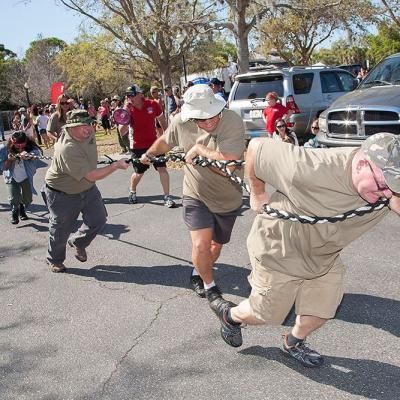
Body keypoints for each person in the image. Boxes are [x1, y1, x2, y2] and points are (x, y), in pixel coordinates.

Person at [214, 132, 400, 368]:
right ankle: (231, 317)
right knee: (264, 314)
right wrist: (257, 191)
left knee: (322, 309)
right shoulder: (308, 168)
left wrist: (392, 194)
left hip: (322, 257)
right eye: (384, 185)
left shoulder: (389, 190)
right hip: (278, 251)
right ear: (363, 163)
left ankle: (292, 342)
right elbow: (258, 147)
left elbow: (391, 193)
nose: (386, 194)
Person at [140, 84, 246, 311]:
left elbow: (228, 164)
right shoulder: (181, 121)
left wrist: (200, 150)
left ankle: (198, 270)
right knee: (200, 245)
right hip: (195, 193)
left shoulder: (232, 121)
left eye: (212, 116)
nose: (208, 123)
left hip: (227, 196)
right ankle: (210, 287)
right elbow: (166, 141)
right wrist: (149, 154)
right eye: (201, 118)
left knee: (215, 248)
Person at [44, 109, 129, 273]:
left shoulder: (87, 134)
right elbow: (91, 176)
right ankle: (54, 259)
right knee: (61, 228)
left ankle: (78, 242)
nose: (88, 129)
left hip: (87, 188)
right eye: (82, 125)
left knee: (98, 219)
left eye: (89, 124)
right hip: (62, 192)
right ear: (70, 127)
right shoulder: (67, 148)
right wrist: (115, 165)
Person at [119, 84, 176, 208]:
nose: (130, 98)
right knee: (139, 173)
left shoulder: (152, 104)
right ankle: (132, 191)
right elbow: (121, 131)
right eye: (128, 96)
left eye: (132, 95)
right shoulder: (127, 110)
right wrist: (126, 113)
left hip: (154, 144)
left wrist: (166, 136)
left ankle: (167, 197)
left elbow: (162, 120)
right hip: (137, 146)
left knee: (162, 169)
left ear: (140, 95)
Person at [0, 130, 42, 224]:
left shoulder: (29, 147)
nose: (20, 148)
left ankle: (22, 207)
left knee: (28, 198)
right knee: (14, 197)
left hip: (25, 177)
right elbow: (3, 167)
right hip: (11, 177)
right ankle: (15, 211)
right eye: (17, 146)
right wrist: (10, 160)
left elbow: (37, 153)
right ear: (12, 142)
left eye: (22, 145)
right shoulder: (4, 148)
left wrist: (30, 155)